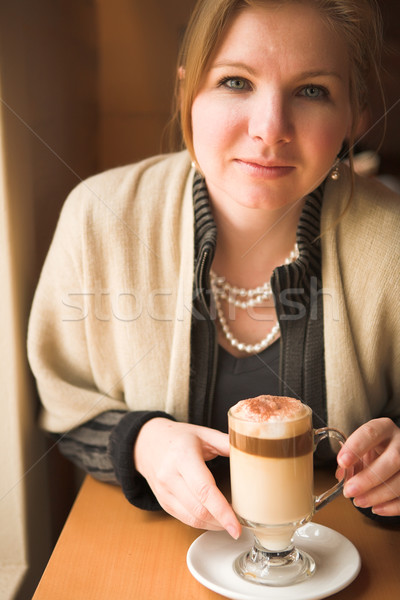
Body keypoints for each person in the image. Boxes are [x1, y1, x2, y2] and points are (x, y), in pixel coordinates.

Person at [28, 0, 400, 540]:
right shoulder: (98, 218)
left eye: (312, 90)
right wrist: (142, 440)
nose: (270, 129)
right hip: (147, 549)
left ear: (355, 116)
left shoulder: (392, 239)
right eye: (235, 82)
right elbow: (63, 401)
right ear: (187, 92)